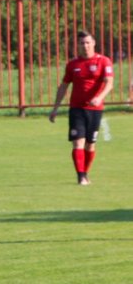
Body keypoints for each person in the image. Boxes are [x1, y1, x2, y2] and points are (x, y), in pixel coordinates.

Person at [47, 30, 114, 185]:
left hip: (95, 110)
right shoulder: (73, 64)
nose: (85, 46)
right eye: (82, 43)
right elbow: (63, 86)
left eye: (87, 42)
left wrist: (99, 98)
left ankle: (85, 172)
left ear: (94, 43)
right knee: (78, 142)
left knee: (90, 145)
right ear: (78, 45)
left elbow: (109, 83)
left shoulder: (104, 61)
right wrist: (55, 108)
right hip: (76, 109)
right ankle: (81, 176)